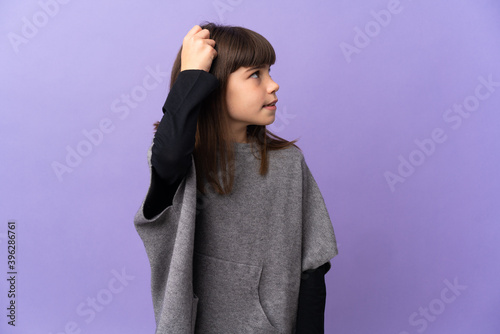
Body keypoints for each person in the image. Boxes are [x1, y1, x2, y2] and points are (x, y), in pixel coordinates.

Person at [134, 22, 338, 334]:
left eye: (269, 72)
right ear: (212, 85)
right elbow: (170, 154)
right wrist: (191, 74)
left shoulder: (288, 164)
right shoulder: (183, 164)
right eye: (256, 74)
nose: (273, 85)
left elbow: (313, 268)